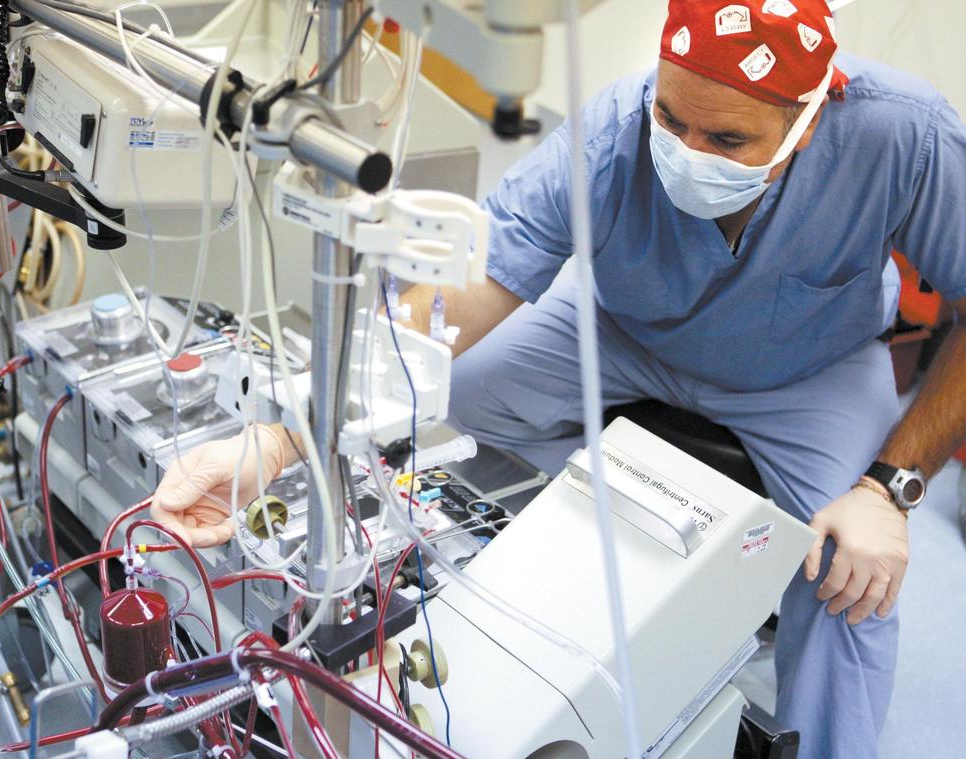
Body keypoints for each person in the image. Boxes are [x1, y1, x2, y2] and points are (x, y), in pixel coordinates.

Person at [150, 1, 966, 755]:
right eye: (671, 120)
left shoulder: (903, 135)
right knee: (441, 405)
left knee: (848, 576)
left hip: (806, 372)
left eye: (727, 143)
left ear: (807, 122)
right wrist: (281, 438)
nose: (687, 155)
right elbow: (454, 304)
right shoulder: (612, 127)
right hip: (620, 328)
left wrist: (890, 489)